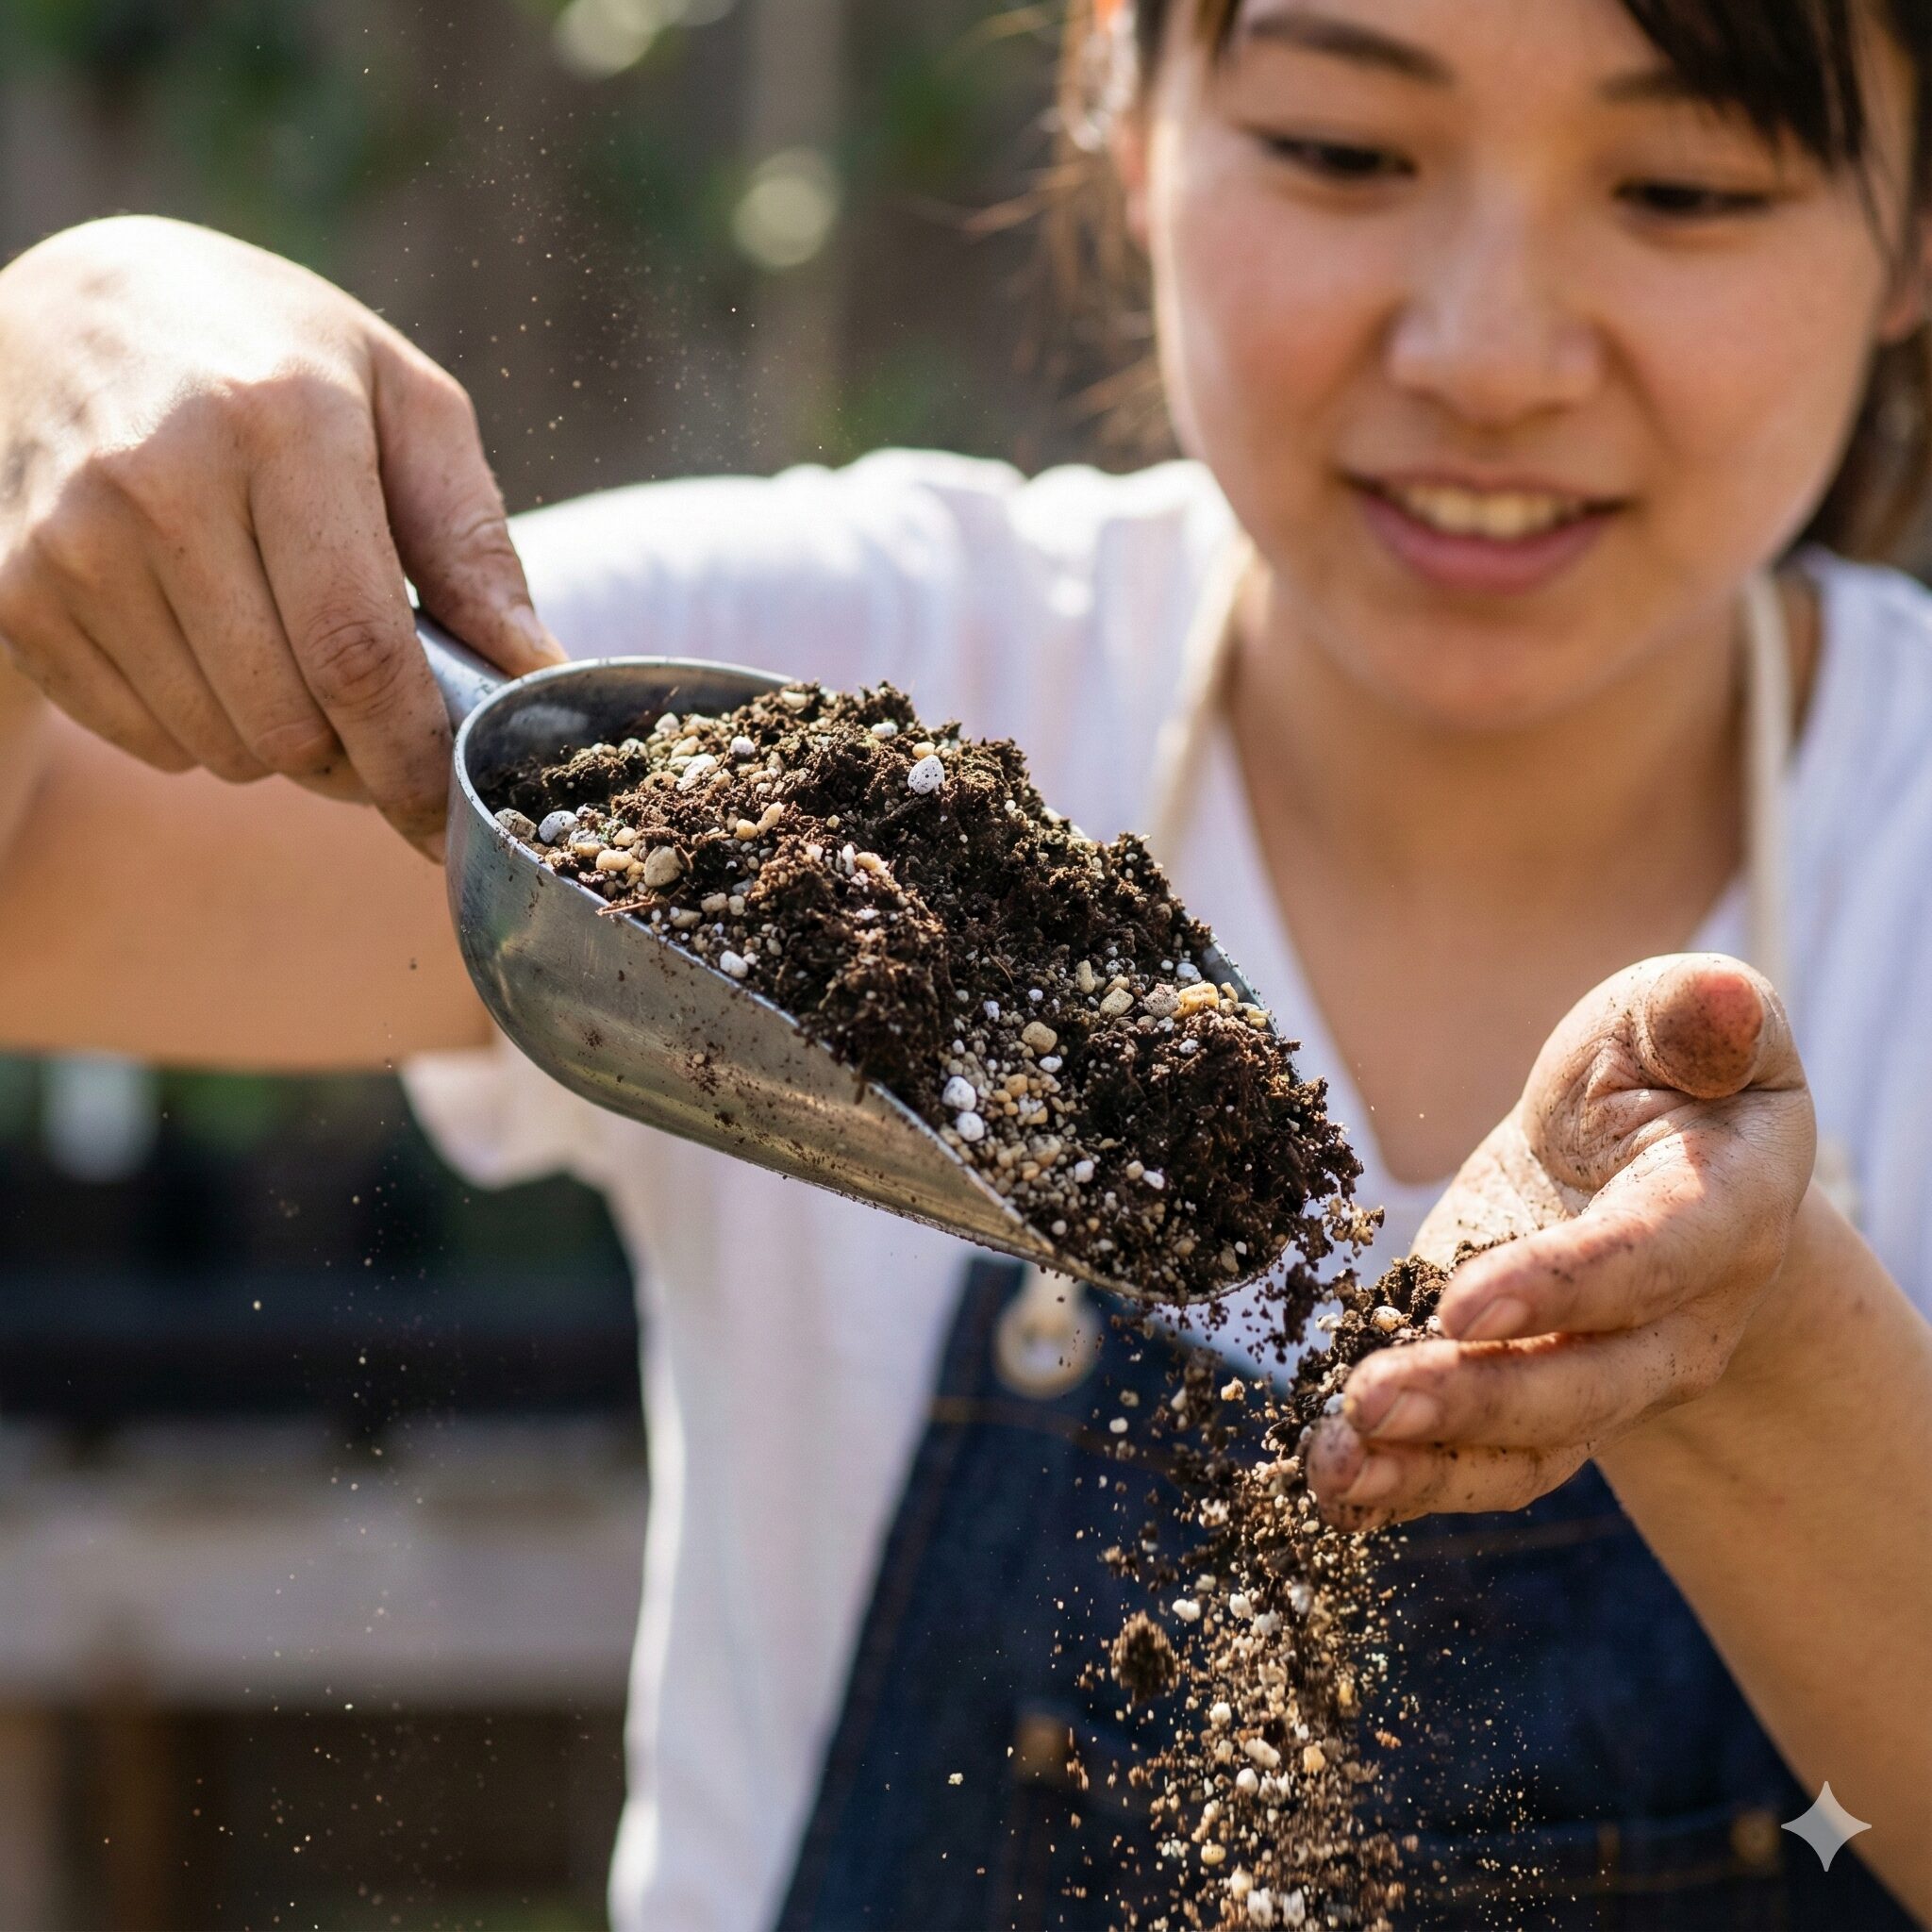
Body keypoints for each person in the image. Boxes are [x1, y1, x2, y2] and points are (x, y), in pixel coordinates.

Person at [2, 0, 1929, 1924]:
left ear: (1912, 222)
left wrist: (1763, 1364)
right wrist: (49, 352)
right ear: (1127, 104)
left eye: (1680, 187)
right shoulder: (839, 715)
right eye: (1346, 152)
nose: (1486, 353)